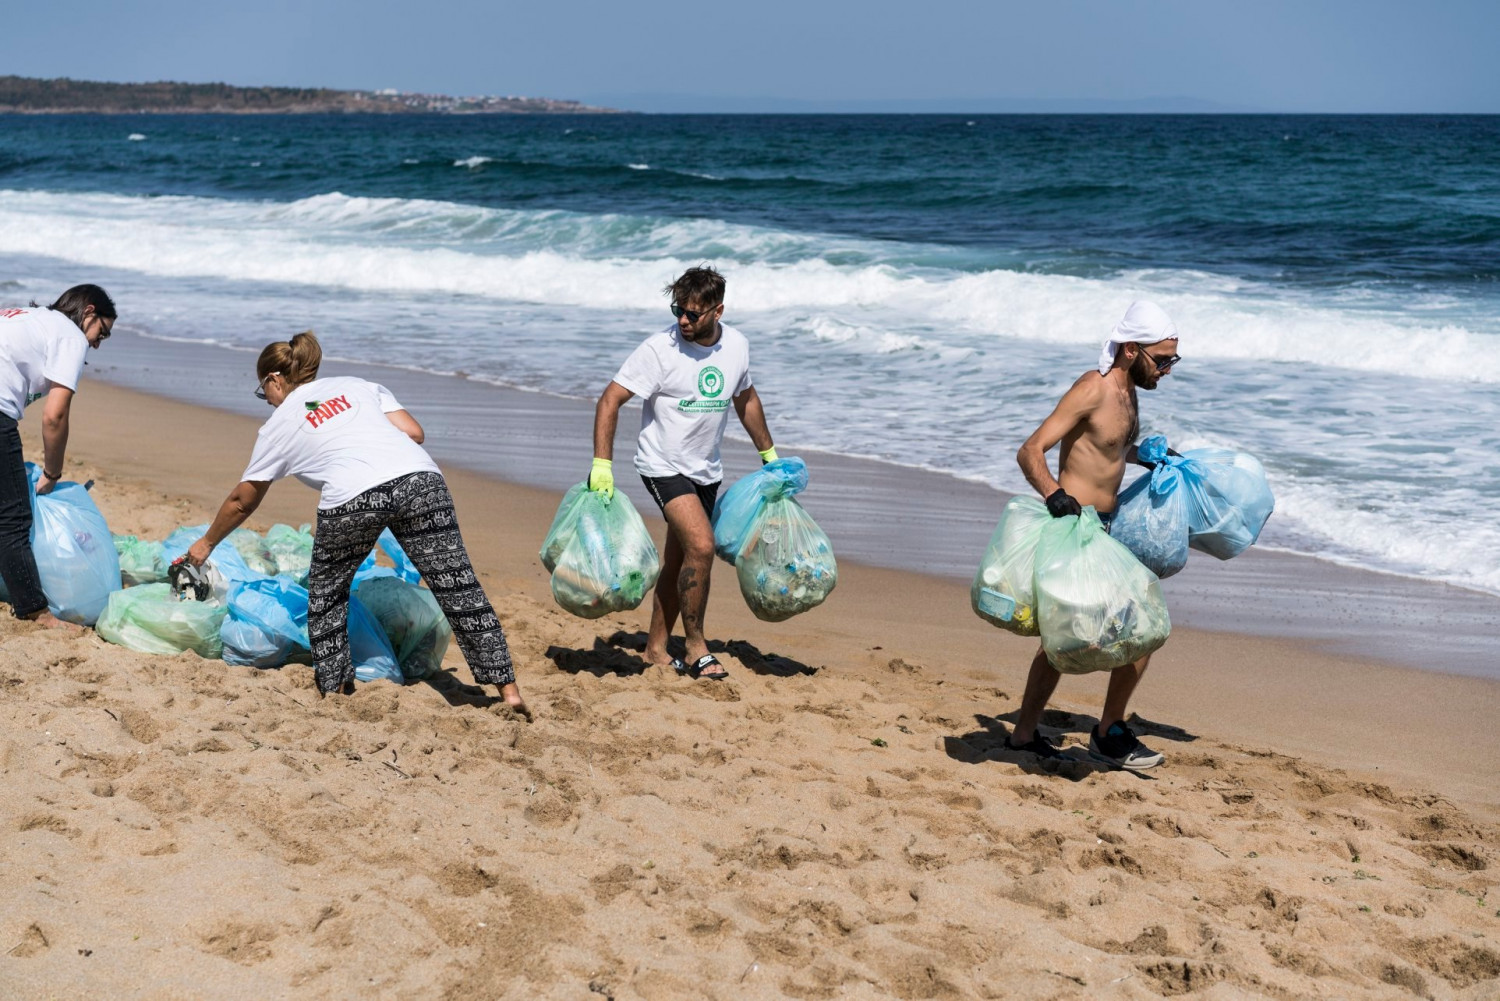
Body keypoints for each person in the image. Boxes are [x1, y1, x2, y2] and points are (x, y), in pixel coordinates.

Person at [186, 331, 526, 712]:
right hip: (421, 480)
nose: (267, 401)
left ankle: (336, 691)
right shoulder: (357, 385)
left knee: (328, 592)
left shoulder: (280, 424)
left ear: (275, 380)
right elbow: (414, 432)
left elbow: (242, 501)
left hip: (354, 496)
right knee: (458, 586)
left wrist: (206, 544)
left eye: (263, 392)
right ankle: (508, 692)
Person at [1005, 300, 1182, 770]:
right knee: (1137, 626)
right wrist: (1052, 494)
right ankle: (1107, 732)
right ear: (1129, 349)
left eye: (1172, 360)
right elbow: (1030, 451)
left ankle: (1031, 734)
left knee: (1069, 638)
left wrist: (1145, 454)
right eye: (1161, 359)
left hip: (1105, 529)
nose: (1166, 370)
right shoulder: (1092, 388)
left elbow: (1106, 448)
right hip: (1074, 530)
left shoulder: (1129, 391)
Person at [590, 267, 776, 680]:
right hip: (661, 465)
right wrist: (602, 464)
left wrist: (770, 454)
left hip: (705, 470)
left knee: (679, 561)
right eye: (678, 310)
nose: (683, 321)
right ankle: (695, 647)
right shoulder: (659, 350)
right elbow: (609, 400)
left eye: (693, 314)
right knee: (702, 546)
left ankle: (655, 649)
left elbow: (745, 399)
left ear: (718, 310)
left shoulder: (737, 346)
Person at [0, 285, 117, 629]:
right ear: (88, 312)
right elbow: (55, 416)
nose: (96, 343)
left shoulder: (27, 316)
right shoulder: (70, 335)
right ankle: (35, 611)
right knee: (13, 517)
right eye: (102, 333)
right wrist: (52, 471)